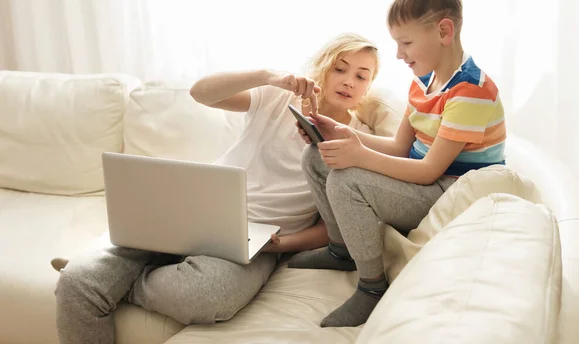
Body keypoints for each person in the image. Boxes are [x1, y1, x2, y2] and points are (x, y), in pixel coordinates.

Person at [54, 33, 380, 344]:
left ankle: (119, 283)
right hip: (195, 210)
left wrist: (281, 246)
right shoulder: (278, 98)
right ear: (323, 66)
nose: (349, 80)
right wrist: (268, 76)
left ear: (369, 86)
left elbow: (331, 227)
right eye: (340, 68)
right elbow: (201, 92)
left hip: (257, 241)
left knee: (204, 298)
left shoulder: (357, 140)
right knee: (76, 283)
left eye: (362, 76)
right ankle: (95, 276)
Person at [289, 0, 507, 328]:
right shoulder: (424, 81)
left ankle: (372, 287)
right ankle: (341, 249)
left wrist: (359, 156)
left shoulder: (471, 90)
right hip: (425, 181)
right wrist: (341, 133)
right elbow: (399, 148)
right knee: (316, 155)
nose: (399, 54)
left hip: (449, 193)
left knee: (347, 180)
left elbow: (429, 172)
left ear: (444, 31)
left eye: (405, 42)